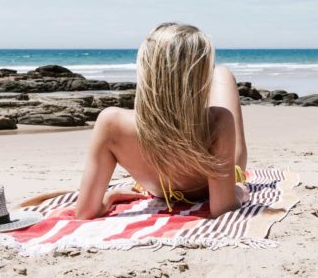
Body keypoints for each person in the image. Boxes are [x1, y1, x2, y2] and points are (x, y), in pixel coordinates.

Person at [75, 23, 249, 220]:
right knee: (222, 73)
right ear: (199, 74)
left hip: (160, 190)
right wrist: (240, 190)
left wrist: (111, 196)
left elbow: (85, 212)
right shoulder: (219, 120)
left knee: (220, 75)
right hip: (213, 182)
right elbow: (222, 208)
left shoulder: (111, 122)